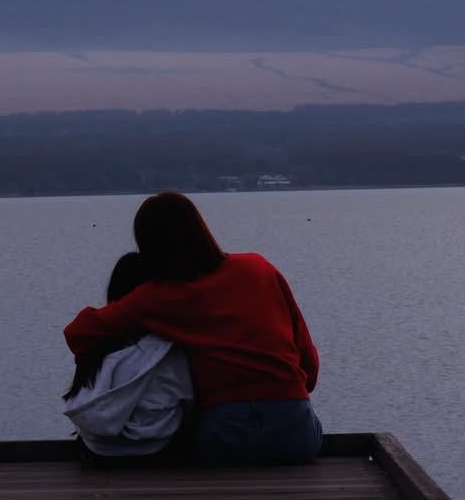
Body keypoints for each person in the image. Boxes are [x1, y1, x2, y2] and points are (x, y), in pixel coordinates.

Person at [64, 192, 322, 466]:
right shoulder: (259, 269)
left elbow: (78, 333)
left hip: (224, 438)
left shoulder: (159, 296)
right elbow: (309, 368)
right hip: (296, 433)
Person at [63, 250, 193, 458]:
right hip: (156, 449)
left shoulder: (95, 342)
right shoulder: (168, 347)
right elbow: (187, 399)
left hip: (98, 452)